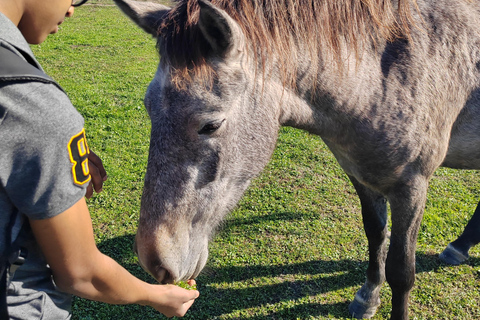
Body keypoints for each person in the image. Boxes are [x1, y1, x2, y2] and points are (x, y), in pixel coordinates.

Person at [0, 0, 199, 319]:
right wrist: (158, 296)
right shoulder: (31, 103)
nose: (70, 10)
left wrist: (48, 162)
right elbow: (80, 273)